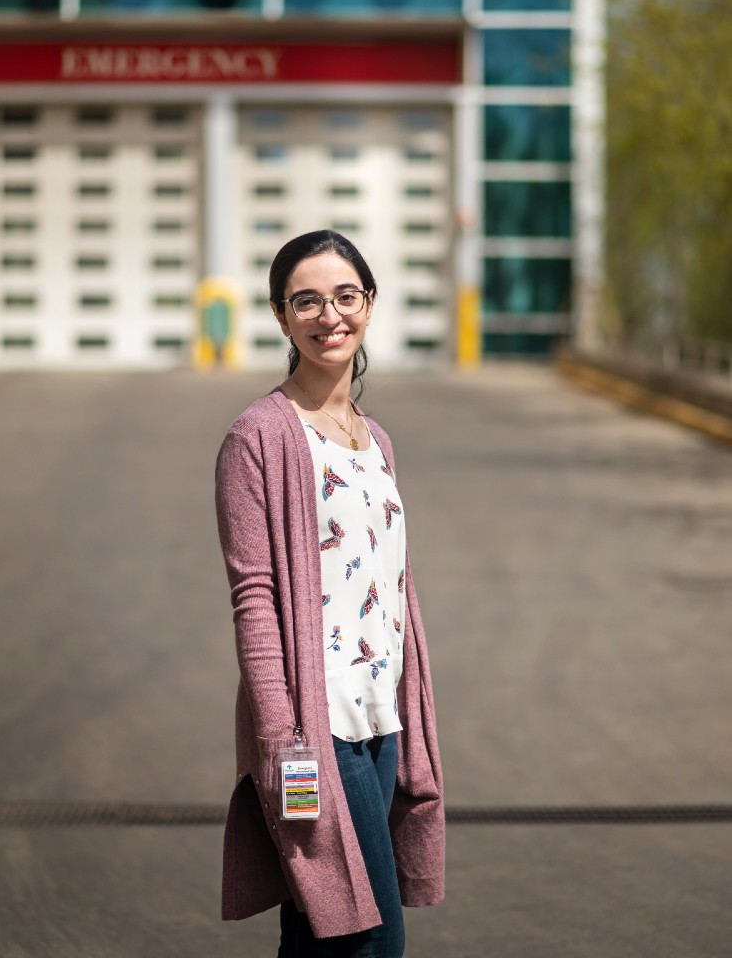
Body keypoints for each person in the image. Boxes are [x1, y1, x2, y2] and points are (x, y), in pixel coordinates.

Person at [215, 230, 445, 958]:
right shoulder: (257, 438)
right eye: (306, 300)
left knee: (321, 934)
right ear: (282, 318)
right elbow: (254, 600)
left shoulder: (375, 440)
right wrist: (284, 745)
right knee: (370, 938)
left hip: (381, 723)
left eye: (345, 296)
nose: (329, 315)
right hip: (318, 733)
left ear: (369, 305)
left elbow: (389, 585)